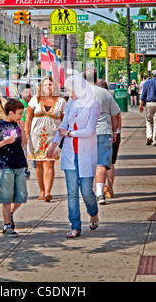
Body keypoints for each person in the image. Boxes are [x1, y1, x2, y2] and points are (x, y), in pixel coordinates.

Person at [47, 75, 101, 238]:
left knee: (86, 191)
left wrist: (70, 133)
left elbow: (89, 130)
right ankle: (75, 226)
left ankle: (93, 212)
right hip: (70, 153)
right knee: (71, 192)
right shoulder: (71, 102)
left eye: (71, 91)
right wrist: (54, 144)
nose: (69, 94)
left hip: (85, 152)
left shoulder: (93, 104)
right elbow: (64, 125)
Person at [0, 98, 27, 237]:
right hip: (5, 164)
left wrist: (22, 128)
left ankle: (10, 213)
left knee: (21, 196)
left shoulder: (18, 125)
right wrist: (4, 142)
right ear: (11, 113)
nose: (20, 116)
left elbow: (24, 142)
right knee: (6, 197)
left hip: (19, 163)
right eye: (19, 113)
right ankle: (7, 226)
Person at [25, 76, 66, 202]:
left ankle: (48, 192)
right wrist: (26, 134)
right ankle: (42, 191)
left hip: (53, 137)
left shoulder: (61, 101)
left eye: (50, 84)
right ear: (41, 88)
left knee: (49, 162)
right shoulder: (34, 100)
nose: (48, 87)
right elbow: (28, 118)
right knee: (39, 164)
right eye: (45, 85)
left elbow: (64, 120)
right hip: (36, 136)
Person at [83, 68, 121, 205]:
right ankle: (100, 193)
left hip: (85, 133)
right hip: (103, 131)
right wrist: (115, 130)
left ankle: (86, 193)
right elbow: (115, 113)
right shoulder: (105, 93)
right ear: (96, 78)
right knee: (101, 163)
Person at [139, 69, 156, 147]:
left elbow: (143, 95)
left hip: (149, 103)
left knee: (148, 121)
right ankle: (155, 141)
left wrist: (141, 105)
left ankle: (149, 137)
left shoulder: (147, 83)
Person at [19, 85, 33, 179]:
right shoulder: (19, 103)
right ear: (21, 93)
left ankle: (34, 163)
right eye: (26, 92)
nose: (28, 94)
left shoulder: (34, 102)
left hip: (33, 129)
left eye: (30, 92)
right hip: (22, 129)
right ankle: (24, 169)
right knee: (23, 150)